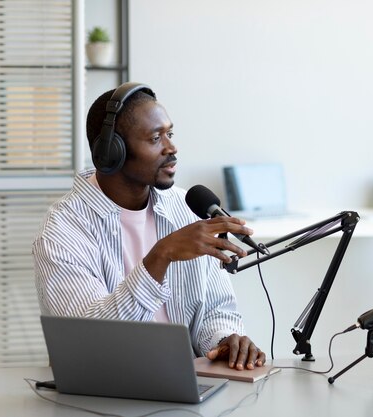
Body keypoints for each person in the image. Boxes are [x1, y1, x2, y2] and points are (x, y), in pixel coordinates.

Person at [33, 82, 265, 371]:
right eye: (156, 138)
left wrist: (223, 341)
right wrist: (160, 255)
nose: (171, 147)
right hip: (107, 390)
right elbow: (91, 343)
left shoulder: (186, 208)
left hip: (188, 386)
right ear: (111, 152)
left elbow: (215, 308)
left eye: (169, 133)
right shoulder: (62, 231)